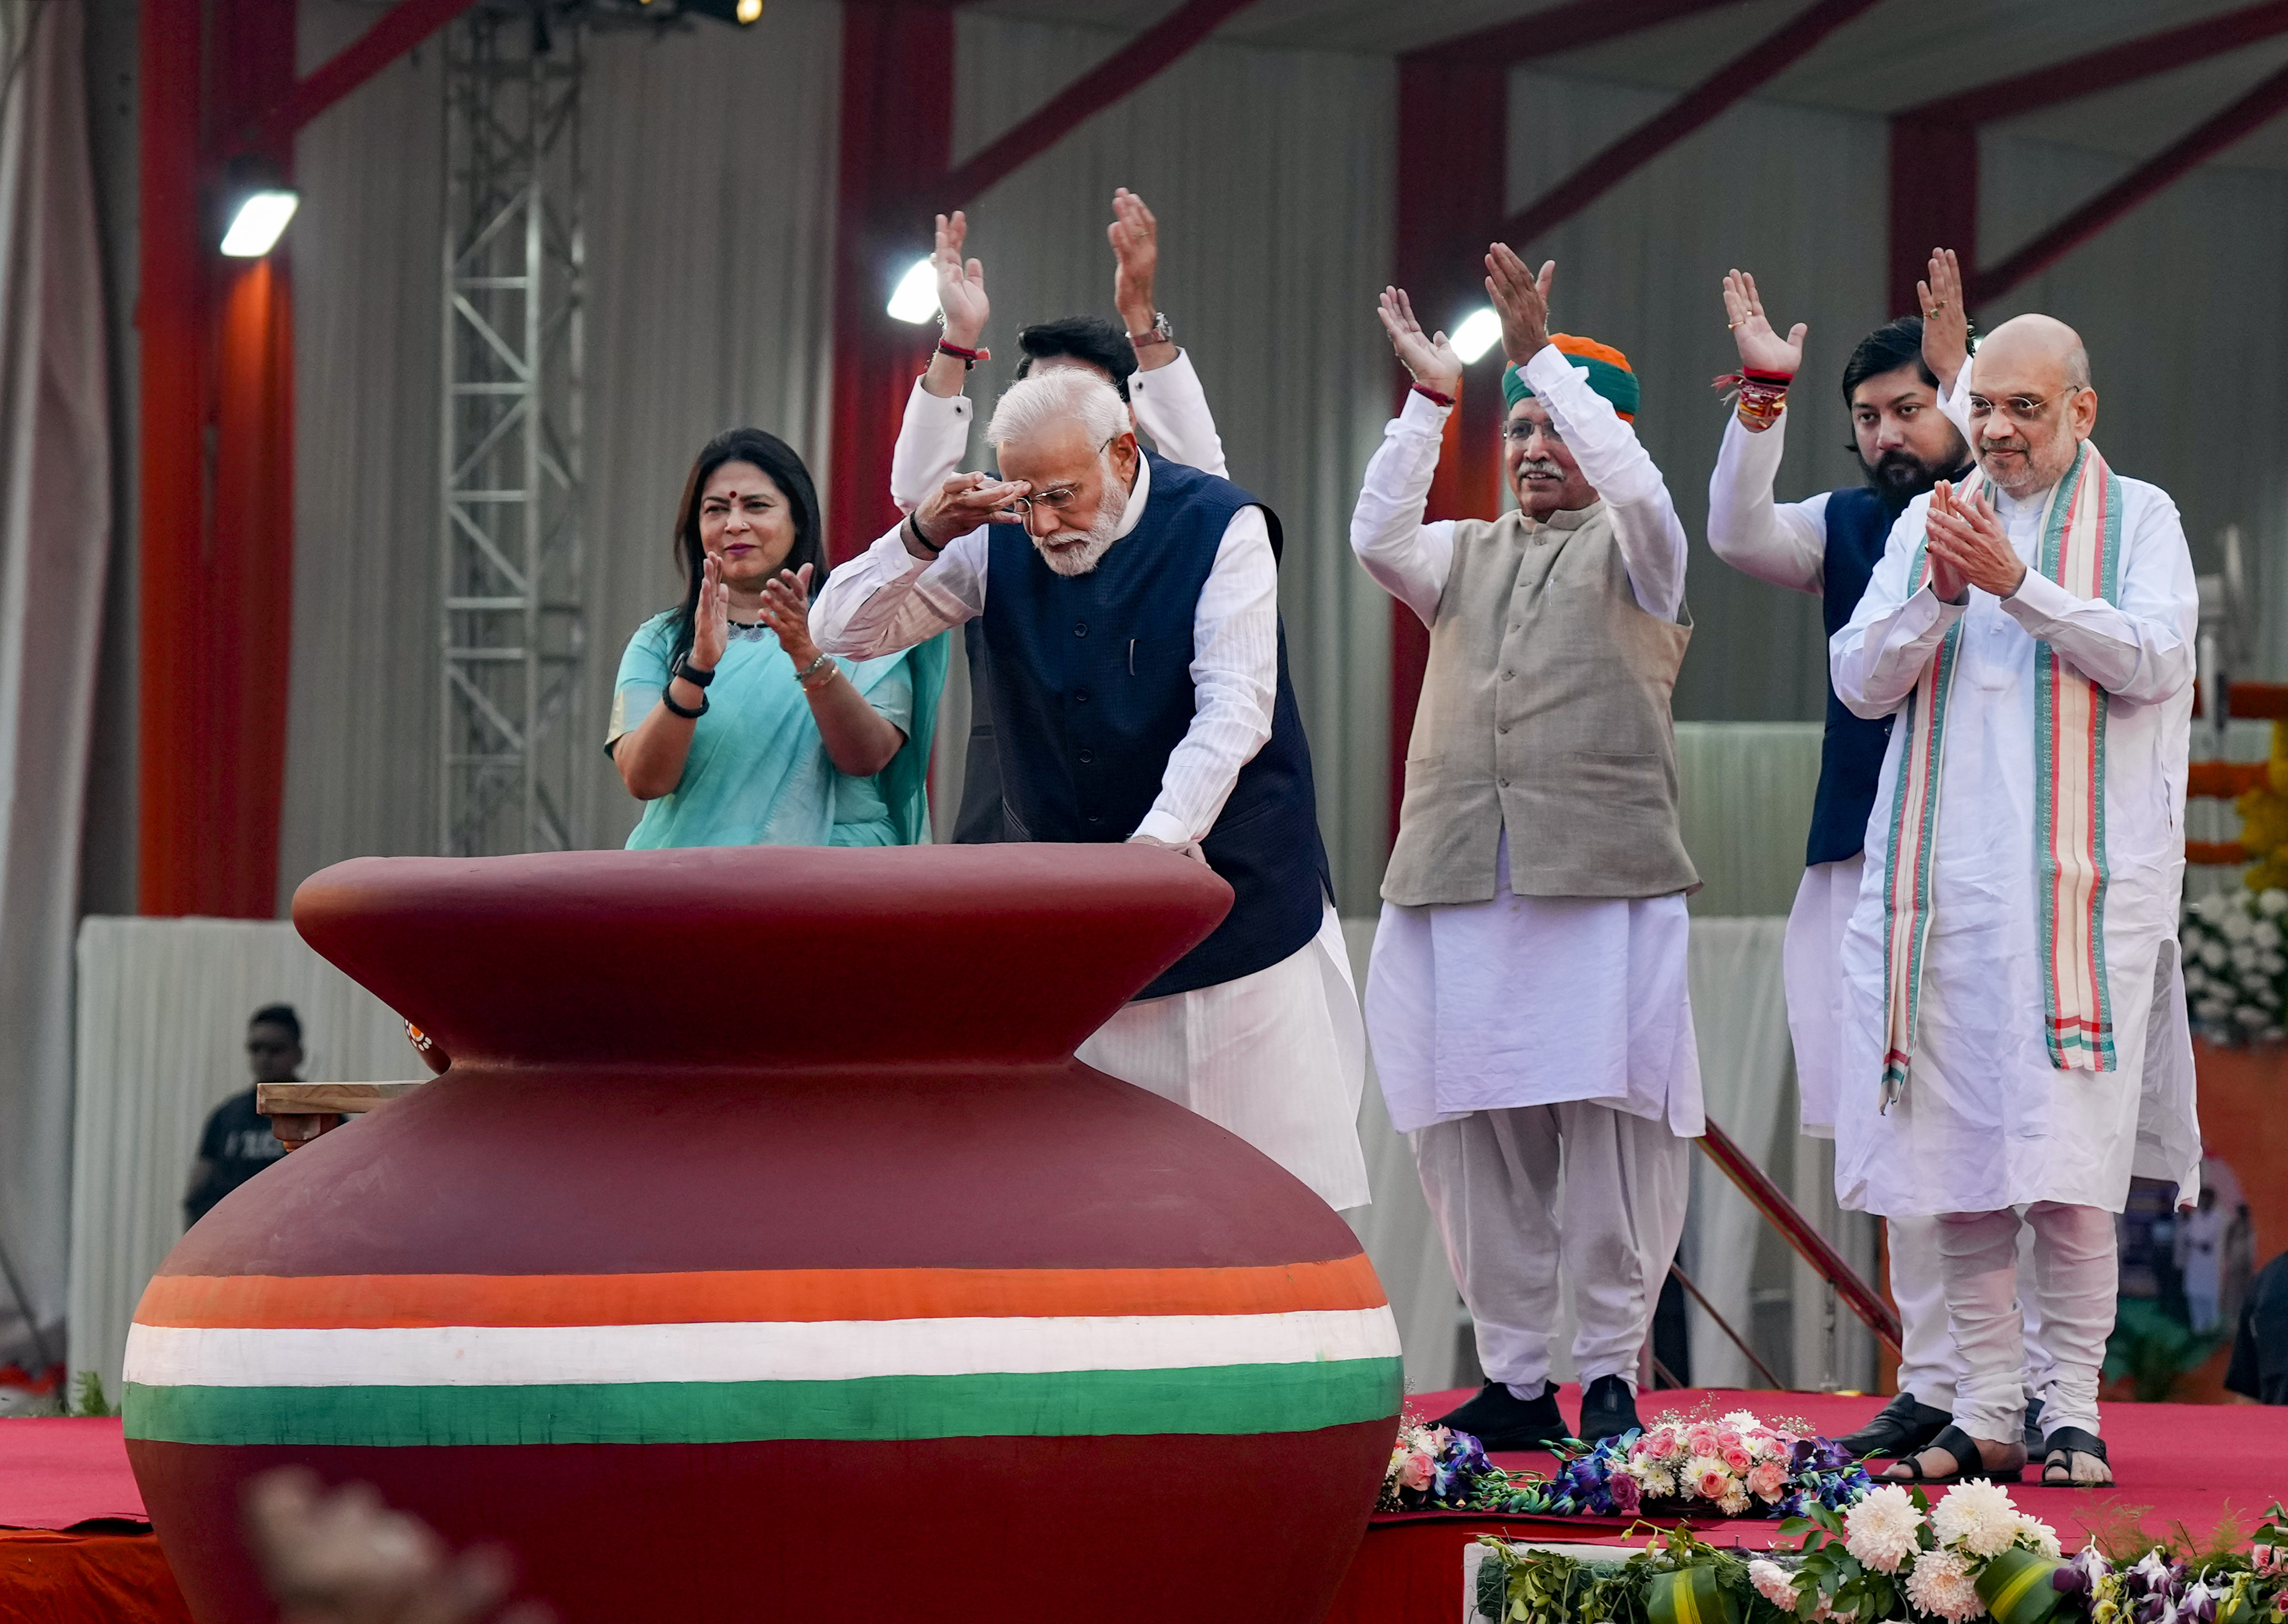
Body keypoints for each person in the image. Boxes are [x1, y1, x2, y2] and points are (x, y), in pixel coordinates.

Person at [807, 366, 1370, 1212]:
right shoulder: (998, 534)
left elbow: (1235, 709)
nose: (1043, 523)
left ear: (1123, 451)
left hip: (1241, 920)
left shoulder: (1222, 525)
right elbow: (841, 632)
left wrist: (1151, 856)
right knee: (1108, 1210)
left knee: (1266, 1204)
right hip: (1091, 949)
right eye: (1025, 497)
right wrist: (921, 532)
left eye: (1063, 495)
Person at [1832, 313, 2199, 1489]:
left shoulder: (2138, 517)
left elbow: (2150, 656)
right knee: (1953, 1170)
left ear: (2079, 411)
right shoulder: (1926, 521)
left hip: (2077, 907)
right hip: (1942, 903)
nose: (1991, 428)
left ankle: (2070, 1406)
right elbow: (1855, 680)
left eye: (2021, 408)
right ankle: (1985, 1405)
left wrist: (2018, 586)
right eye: (1980, 404)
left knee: (2063, 1169)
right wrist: (1933, 597)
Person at [1354, 246, 1700, 1447]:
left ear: (1603, 436)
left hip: (1600, 883)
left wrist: (1540, 355)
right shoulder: (1459, 551)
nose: (1537, 448)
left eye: (1561, 429)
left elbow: (1645, 497)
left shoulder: (1641, 552)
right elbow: (1371, 531)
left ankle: (1606, 1365)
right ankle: (1509, 1369)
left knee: (1612, 1137)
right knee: (1468, 1132)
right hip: (1459, 879)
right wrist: (1429, 402)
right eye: (1519, 431)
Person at [1706, 253, 2007, 1462]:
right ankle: (1932, 1379)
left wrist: (1966, 372)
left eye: (1909, 406)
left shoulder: (2024, 518)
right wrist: (1761, 397)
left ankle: (2015, 1386)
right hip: (1854, 863)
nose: (1886, 434)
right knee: (1893, 1137)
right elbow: (1731, 529)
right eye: (1866, 418)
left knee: (1996, 1135)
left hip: (1983, 873)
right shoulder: (1841, 524)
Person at [894, 194, 1222, 843]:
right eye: (1036, 397)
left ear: (1125, 432)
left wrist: (1141, 319)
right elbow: (918, 501)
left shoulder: (1169, 516)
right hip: (1010, 804)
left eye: (1081, 401)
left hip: (1156, 813)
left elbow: (1209, 482)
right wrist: (957, 341)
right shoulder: (991, 516)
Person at [608, 428, 945, 846]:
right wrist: (695, 669)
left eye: (756, 506)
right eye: (715, 510)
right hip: (694, 889)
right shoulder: (661, 642)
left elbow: (867, 757)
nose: (734, 524)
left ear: (797, 517)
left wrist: (807, 653)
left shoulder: (858, 625)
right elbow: (645, 780)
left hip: (831, 889)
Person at [185, 1005, 303, 1226]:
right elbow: (197, 1193)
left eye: (275, 1049)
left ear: (298, 1054)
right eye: (256, 1048)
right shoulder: (226, 1117)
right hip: (233, 1242)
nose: (264, 1058)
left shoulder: (323, 1116)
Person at [2176, 1185, 2227, 1334]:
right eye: (2203, 1198)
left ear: (2213, 1200)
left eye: (2208, 1198)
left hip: (2209, 1265)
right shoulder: (2194, 1217)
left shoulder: (2218, 1218)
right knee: (2194, 1294)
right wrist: (2196, 1241)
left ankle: (2212, 1328)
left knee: (2209, 1296)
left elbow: (2206, 1240)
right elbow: (2189, 1237)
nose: (2206, 1201)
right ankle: (2197, 1328)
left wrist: (2195, 1241)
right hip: (2195, 1264)